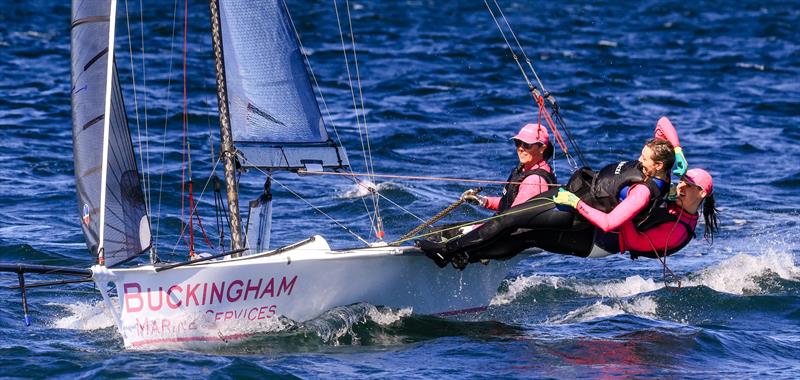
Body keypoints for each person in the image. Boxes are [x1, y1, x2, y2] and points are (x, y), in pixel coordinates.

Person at [417, 116, 687, 268]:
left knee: (510, 220)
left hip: (572, 210)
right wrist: (677, 149)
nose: (639, 160)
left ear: (658, 165)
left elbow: (610, 222)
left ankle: (447, 251)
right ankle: (466, 255)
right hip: (570, 198)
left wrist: (574, 202)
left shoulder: (643, 191)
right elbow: (663, 122)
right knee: (523, 234)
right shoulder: (657, 163)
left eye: (644, 158)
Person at [472, 168, 718, 262]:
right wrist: (676, 151)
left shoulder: (678, 232)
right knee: (523, 226)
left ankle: (473, 255)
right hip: (595, 220)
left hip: (599, 242)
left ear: (702, 194)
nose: (681, 187)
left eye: (688, 185)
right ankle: (477, 247)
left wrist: (628, 209)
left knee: (529, 237)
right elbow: (663, 124)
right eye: (682, 181)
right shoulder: (676, 200)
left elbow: (632, 241)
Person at [461, 123, 556, 213]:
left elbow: (511, 217)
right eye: (518, 143)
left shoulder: (534, 180)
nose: (520, 148)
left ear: (542, 148)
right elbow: (508, 204)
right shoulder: (524, 169)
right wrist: (482, 201)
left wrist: (475, 228)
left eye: (527, 145)